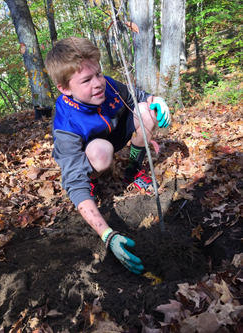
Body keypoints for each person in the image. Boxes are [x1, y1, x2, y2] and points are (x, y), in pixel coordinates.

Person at [45, 37, 170, 275]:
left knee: (146, 112)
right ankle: (93, 180)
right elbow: (72, 181)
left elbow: (138, 96)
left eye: (99, 74)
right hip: (94, 151)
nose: (98, 84)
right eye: (86, 80)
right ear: (64, 89)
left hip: (115, 135)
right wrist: (107, 234)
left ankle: (132, 172)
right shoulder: (66, 125)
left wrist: (156, 100)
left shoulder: (108, 85)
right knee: (100, 153)